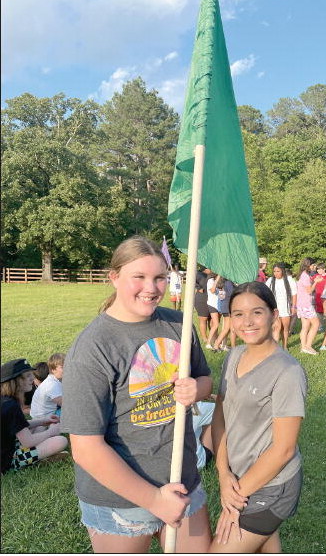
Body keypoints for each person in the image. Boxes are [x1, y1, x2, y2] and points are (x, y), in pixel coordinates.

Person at [60, 235, 212, 554]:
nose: (152, 287)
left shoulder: (178, 324)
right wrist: (154, 500)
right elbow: (86, 448)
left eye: (159, 277)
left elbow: (206, 380)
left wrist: (196, 388)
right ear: (114, 277)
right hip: (122, 503)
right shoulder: (93, 347)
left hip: (184, 483)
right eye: (139, 277)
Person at [210, 282, 307, 553]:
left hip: (272, 485)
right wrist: (223, 473)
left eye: (257, 312)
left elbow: (283, 449)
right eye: (238, 314)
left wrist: (235, 497)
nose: (247, 322)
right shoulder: (234, 355)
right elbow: (221, 415)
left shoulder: (287, 372)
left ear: (274, 315)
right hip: (239, 476)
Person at [1, 358, 68, 474]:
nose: (32, 378)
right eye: (27, 376)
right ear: (15, 381)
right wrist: (52, 432)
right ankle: (33, 460)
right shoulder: (10, 405)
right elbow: (28, 442)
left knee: (40, 427)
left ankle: (39, 455)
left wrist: (43, 421)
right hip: (6, 460)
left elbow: (19, 425)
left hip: (8, 443)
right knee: (61, 441)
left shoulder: (6, 400)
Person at [266, 263, 297, 350]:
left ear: (282, 271)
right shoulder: (271, 280)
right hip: (274, 308)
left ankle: (285, 346)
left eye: (278, 271)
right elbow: (264, 291)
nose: (276, 273)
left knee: (285, 328)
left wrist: (294, 306)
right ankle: (274, 347)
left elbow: (294, 294)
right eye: (274, 271)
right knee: (276, 328)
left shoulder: (289, 280)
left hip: (285, 308)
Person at [296, 258, 322, 355]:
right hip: (306, 304)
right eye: (313, 265)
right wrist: (316, 282)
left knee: (305, 326)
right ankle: (308, 346)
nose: (314, 267)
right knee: (316, 324)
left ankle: (303, 347)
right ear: (308, 265)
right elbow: (309, 291)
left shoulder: (302, 275)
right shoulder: (305, 276)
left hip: (301, 304)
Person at [30, 353, 65, 420]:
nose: (67, 368)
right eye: (62, 367)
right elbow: (65, 404)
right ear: (53, 369)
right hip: (44, 418)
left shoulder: (54, 379)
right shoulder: (52, 385)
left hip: (40, 415)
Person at [192, 398, 216, 470]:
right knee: (216, 417)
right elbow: (221, 409)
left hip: (162, 464)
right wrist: (217, 398)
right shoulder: (196, 407)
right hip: (196, 463)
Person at [213, 277, 235, 352]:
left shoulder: (220, 283)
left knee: (226, 328)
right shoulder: (228, 283)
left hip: (223, 306)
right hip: (228, 306)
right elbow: (232, 294)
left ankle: (217, 344)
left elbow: (217, 293)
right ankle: (216, 344)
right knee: (227, 329)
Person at [194, 266, 212, 344]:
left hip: (212, 299)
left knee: (212, 320)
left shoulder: (213, 274)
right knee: (203, 319)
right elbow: (191, 280)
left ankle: (213, 337)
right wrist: (198, 288)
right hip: (201, 299)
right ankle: (205, 338)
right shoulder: (198, 273)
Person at [312, 263, 326, 332]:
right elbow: (311, 284)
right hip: (318, 296)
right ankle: (321, 326)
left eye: (320, 269)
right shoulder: (315, 276)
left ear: (324, 269)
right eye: (317, 269)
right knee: (319, 312)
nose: (318, 270)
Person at [205, 273, 222, 350]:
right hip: (212, 305)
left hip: (218, 305)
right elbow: (212, 290)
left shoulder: (216, 281)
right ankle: (208, 343)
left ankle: (215, 341)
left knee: (214, 324)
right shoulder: (211, 281)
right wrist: (217, 279)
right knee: (216, 324)